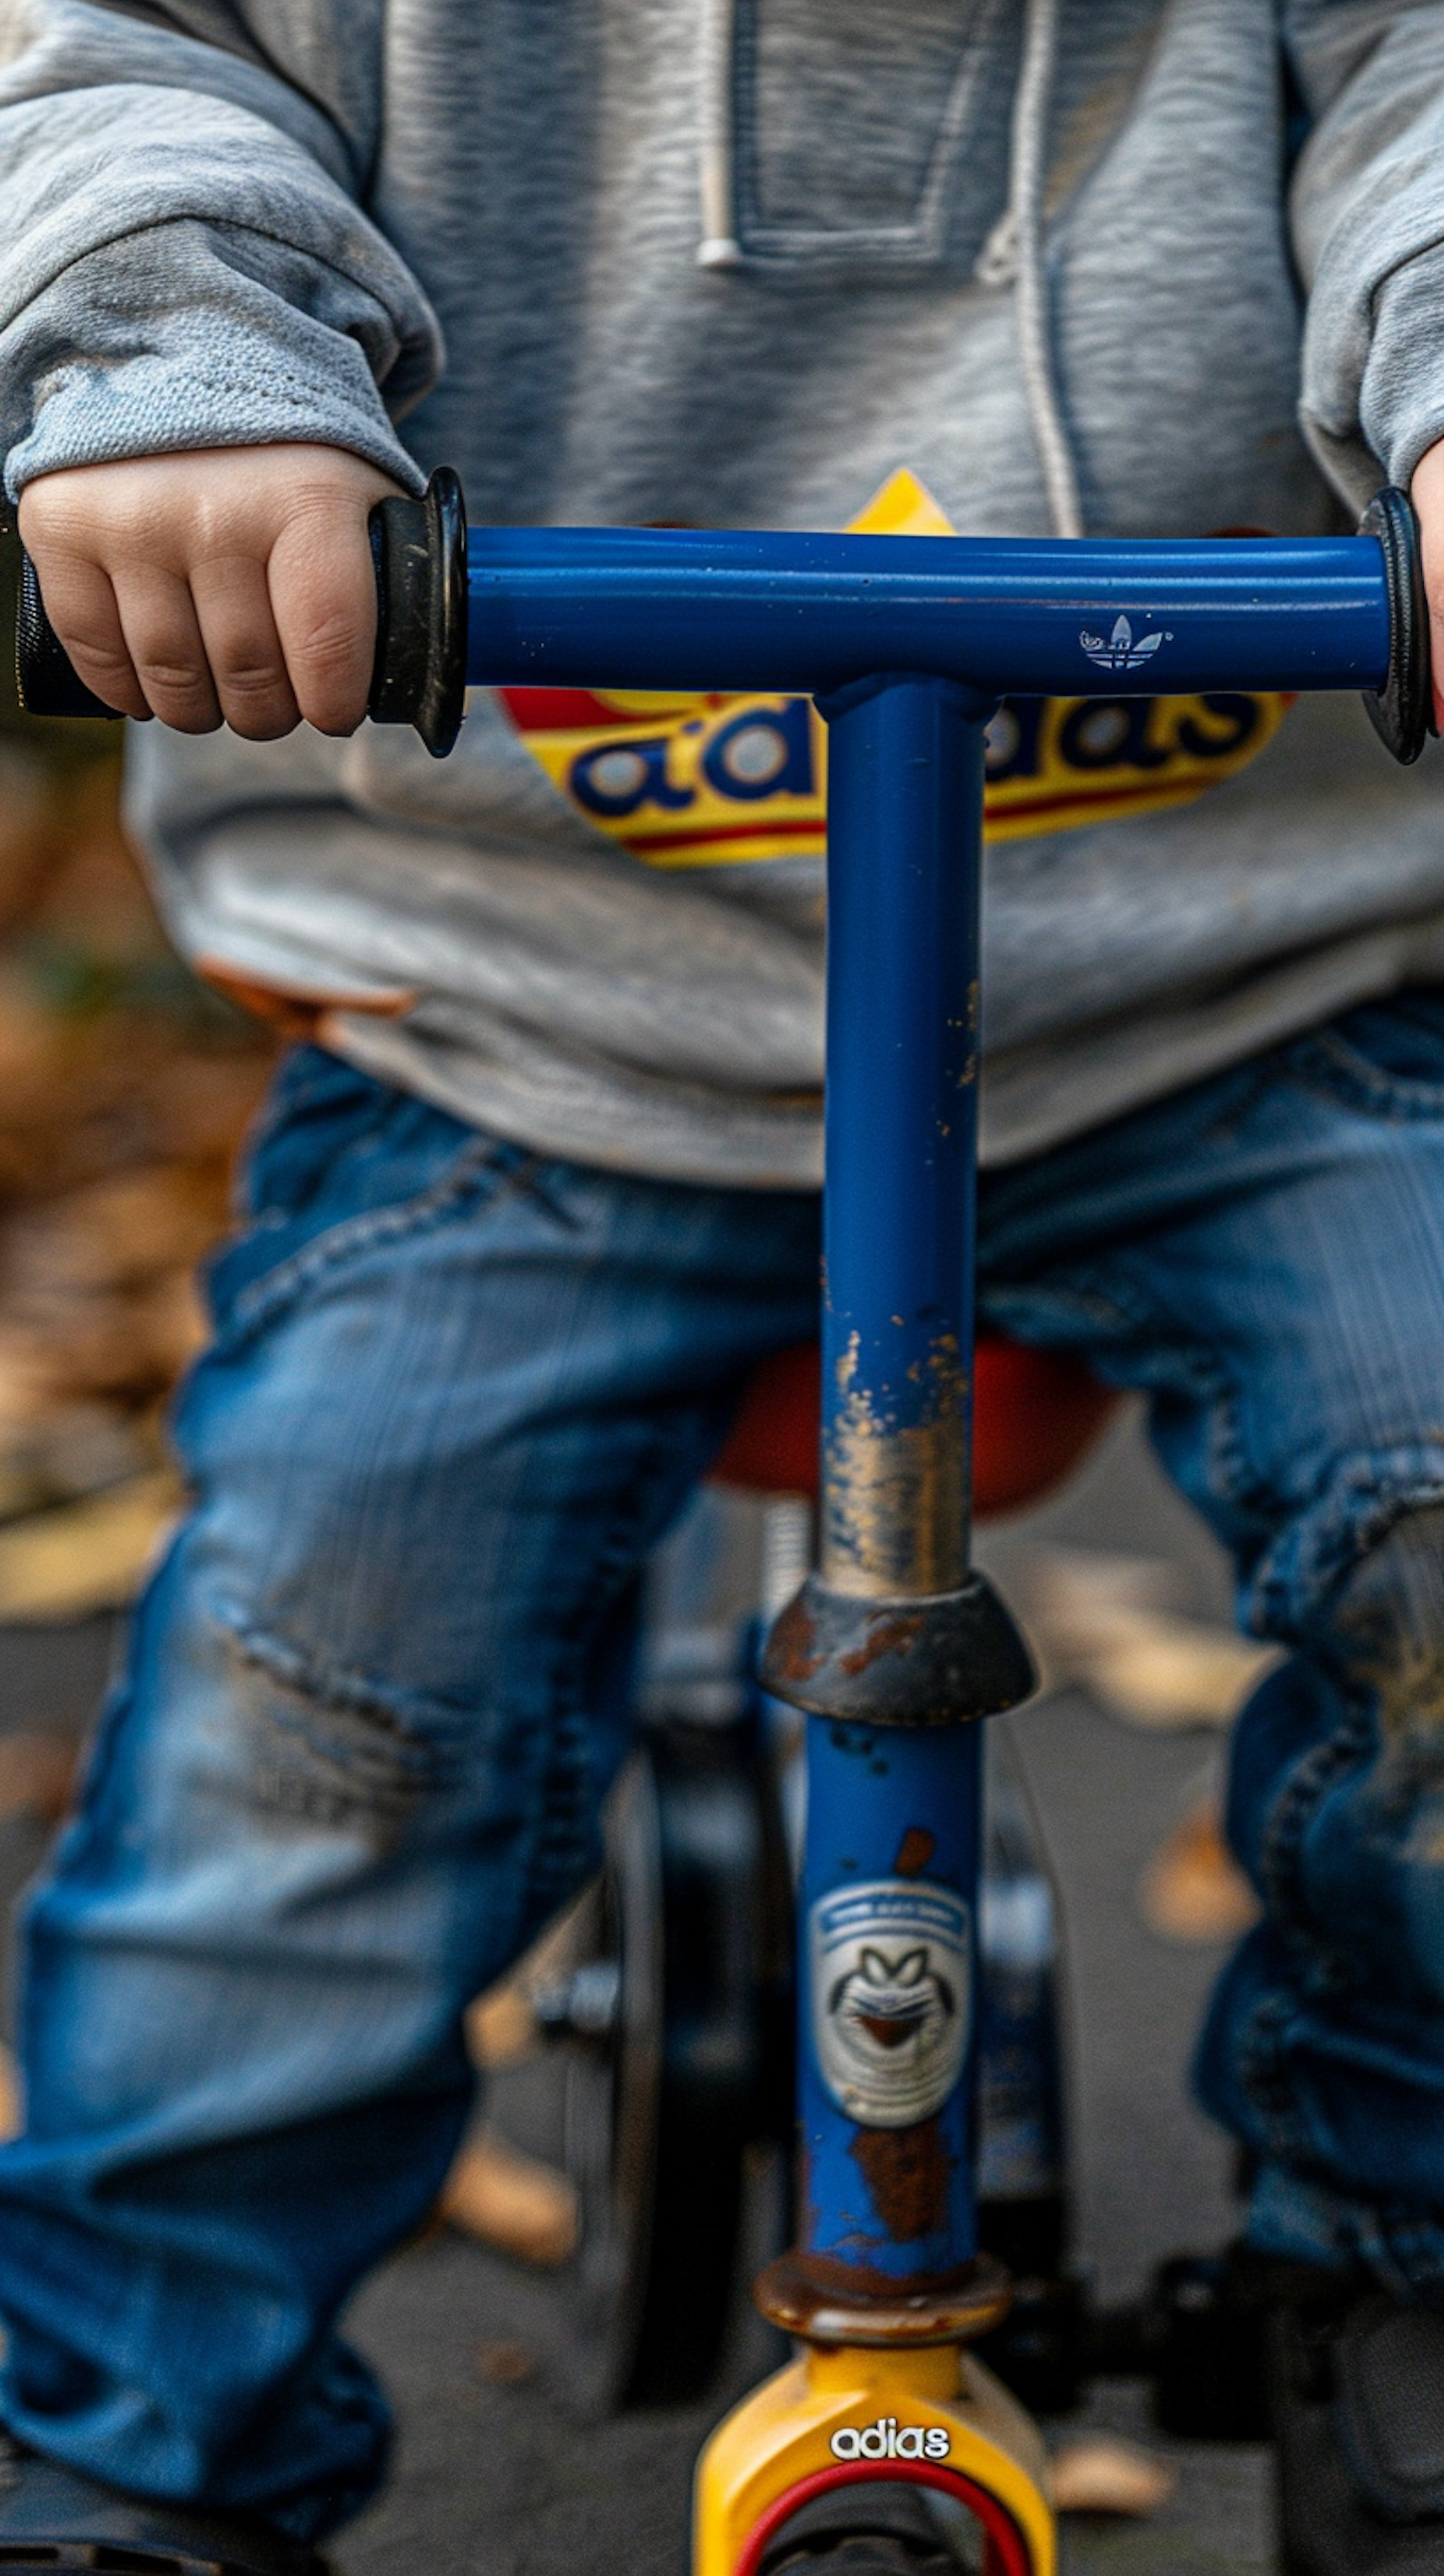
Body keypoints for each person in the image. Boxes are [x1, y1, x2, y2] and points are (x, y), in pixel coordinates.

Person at [0, 4, 1443, 2569]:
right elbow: (124, 49)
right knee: (308, 1709)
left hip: (1218, 985)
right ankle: (138, 2432)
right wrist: (168, 350)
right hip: (536, 1007)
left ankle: (1403, 2277)